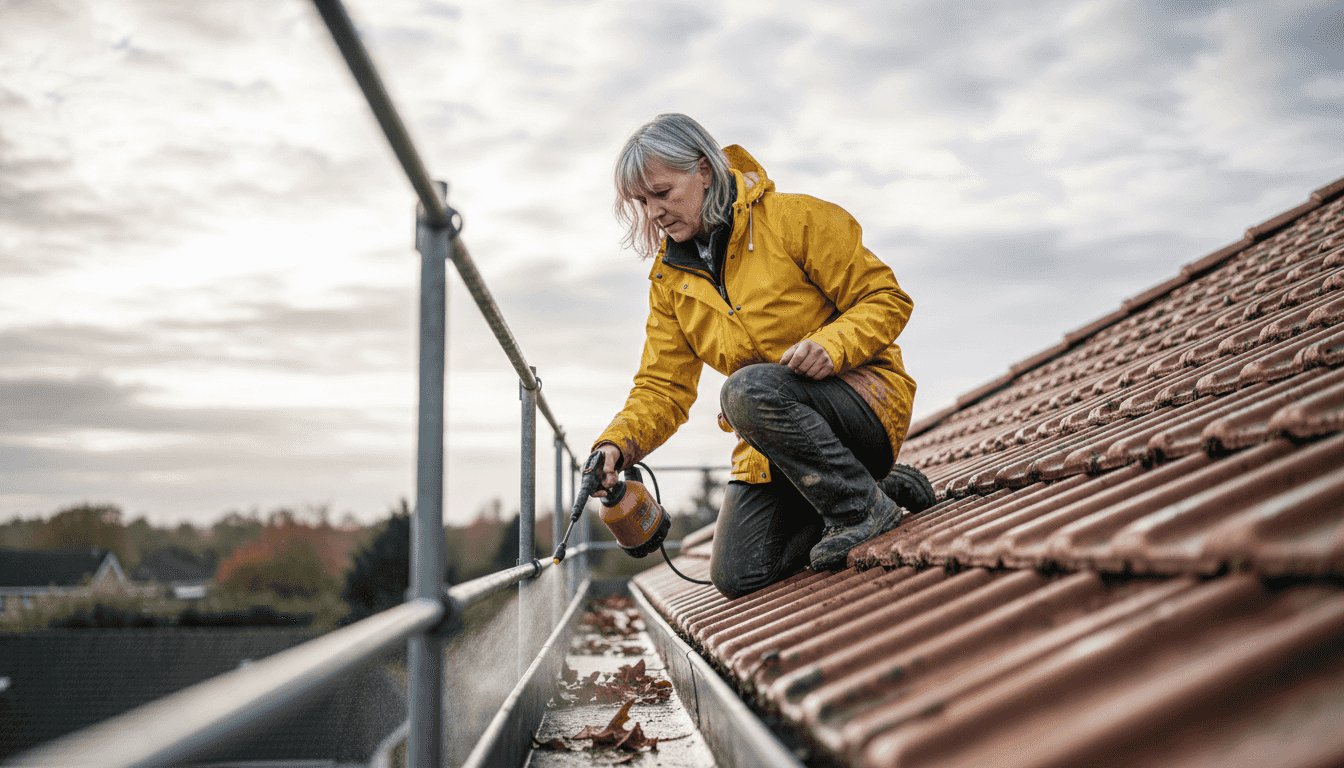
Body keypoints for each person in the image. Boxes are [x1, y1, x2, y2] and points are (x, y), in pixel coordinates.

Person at [590, 113, 934, 599]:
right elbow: (662, 387)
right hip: (774, 441)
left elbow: (887, 298)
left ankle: (862, 508)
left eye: (662, 193)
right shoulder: (670, 283)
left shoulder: (796, 220)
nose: (653, 213)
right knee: (739, 574)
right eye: (642, 202)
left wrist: (832, 346)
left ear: (704, 171)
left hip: (863, 405)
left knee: (743, 390)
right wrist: (616, 445)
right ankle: (871, 488)